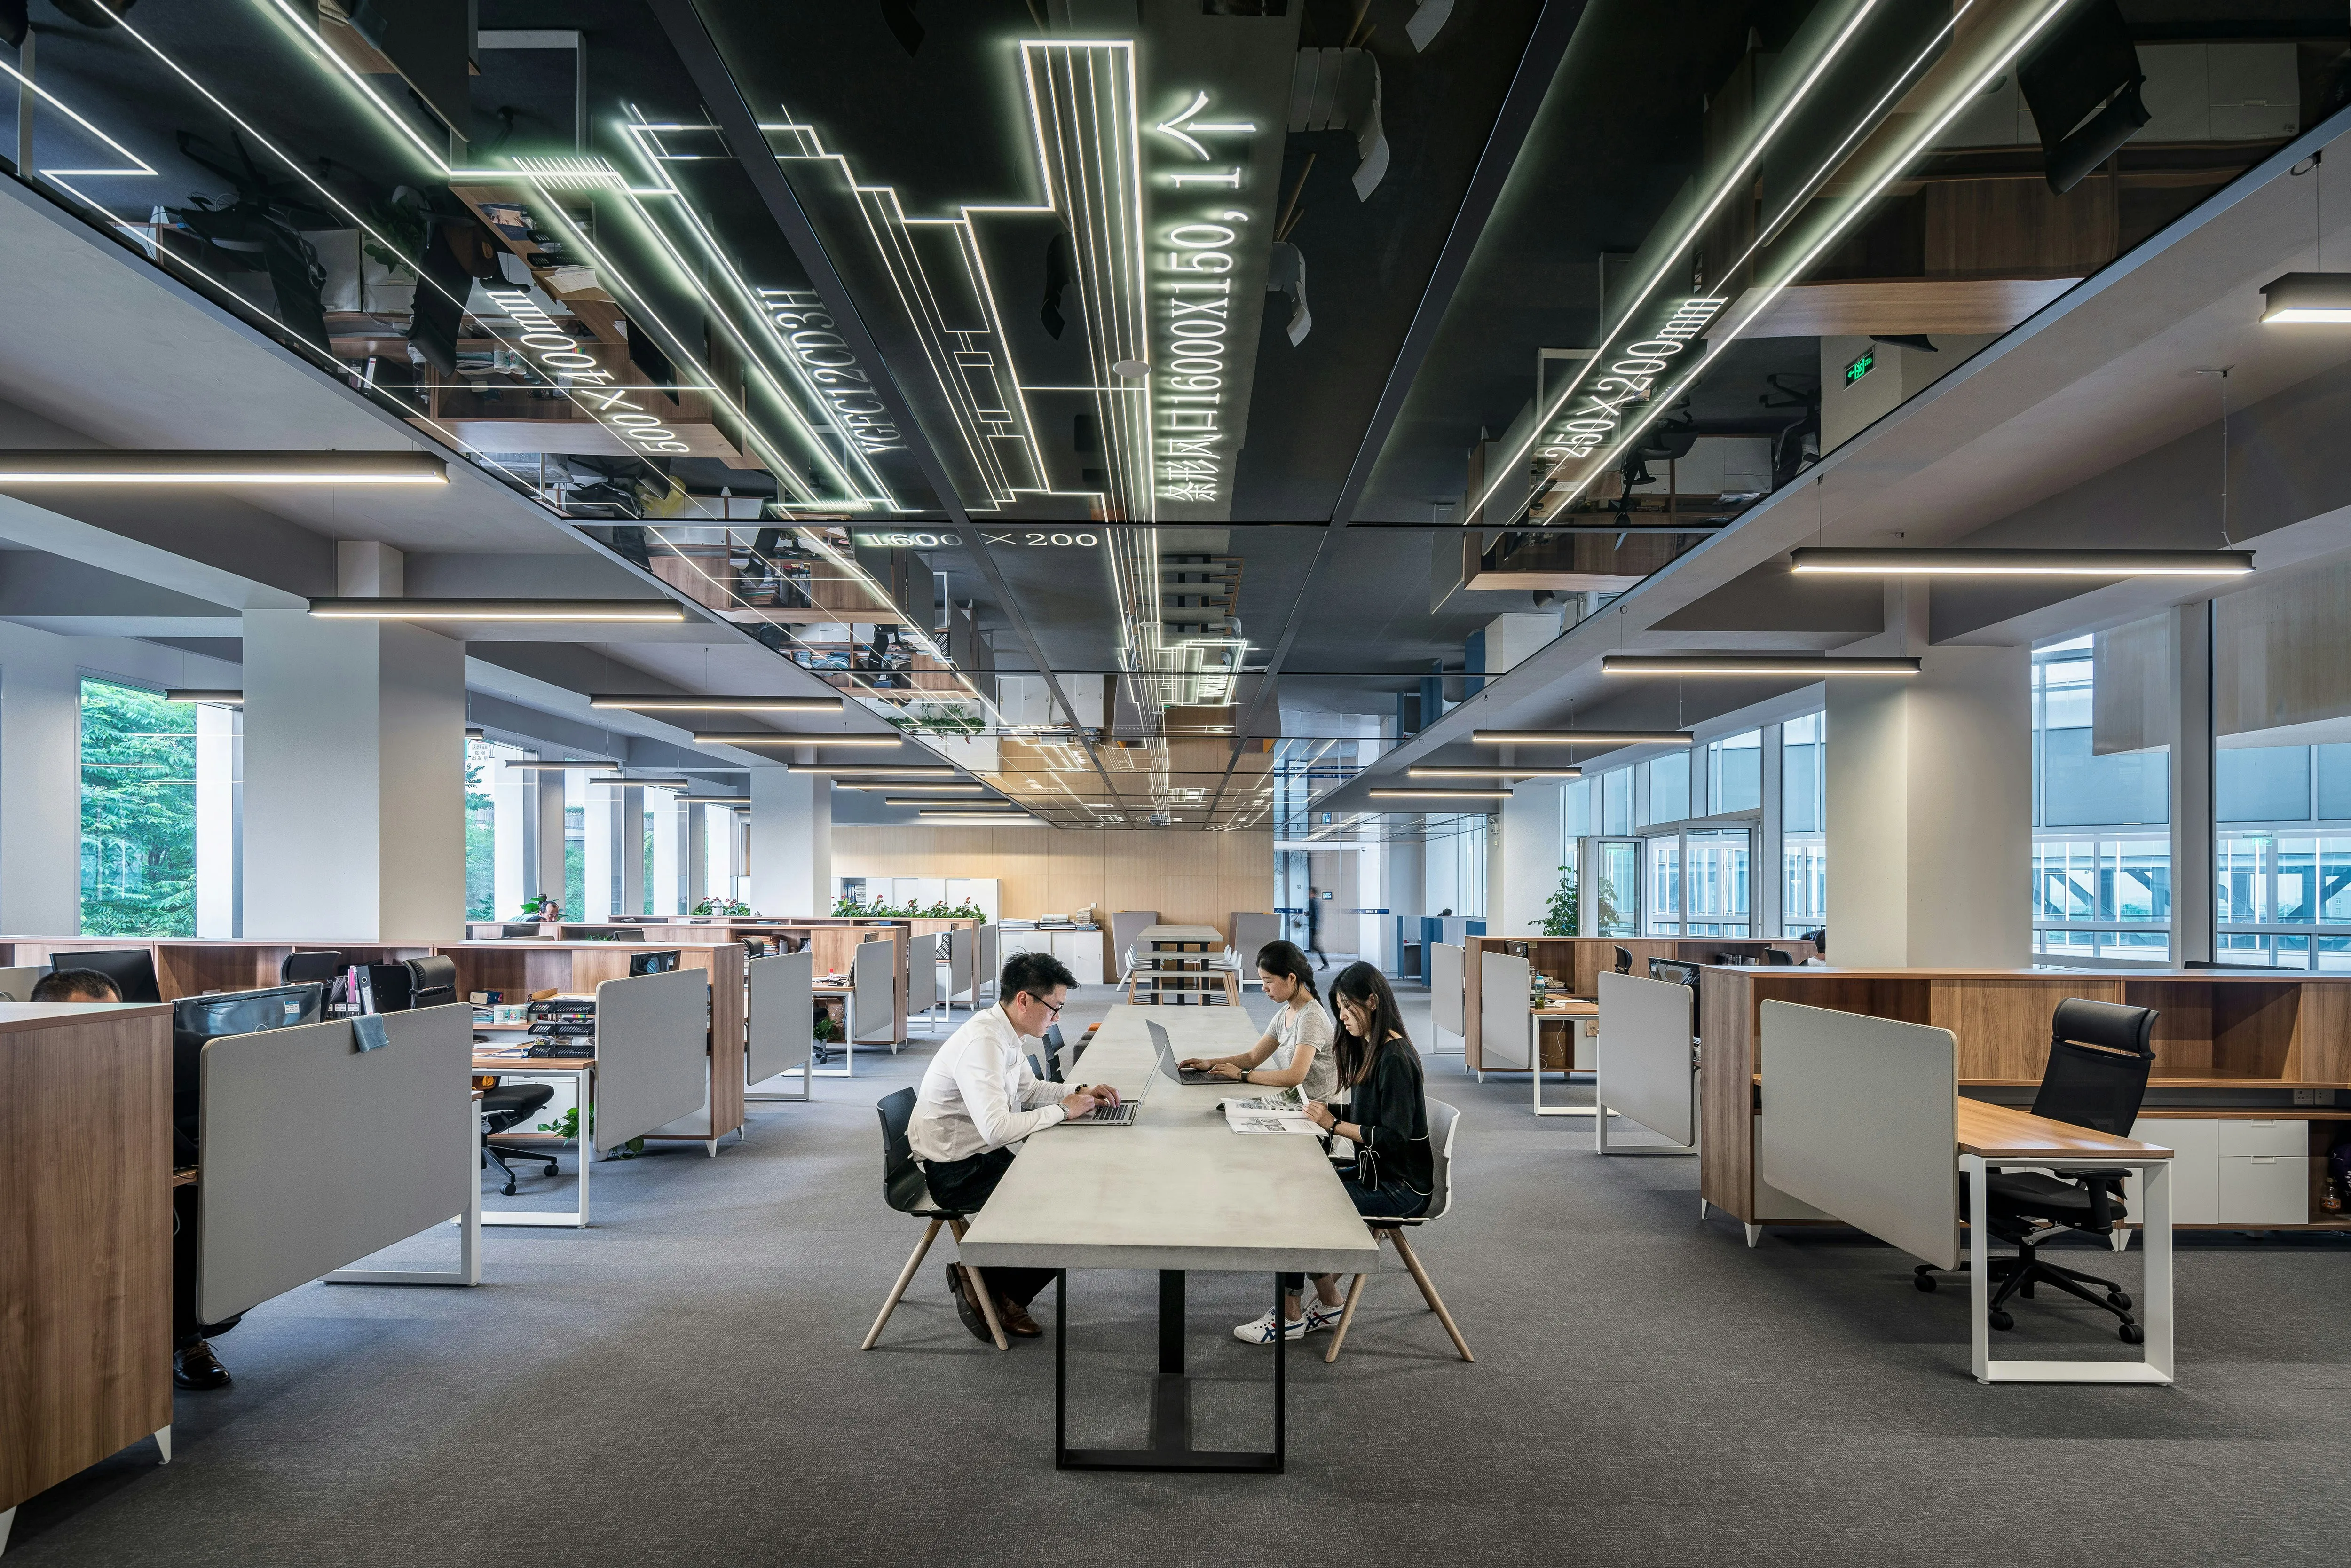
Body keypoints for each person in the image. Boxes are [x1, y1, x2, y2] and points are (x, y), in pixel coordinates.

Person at [33, 969, 243, 1389]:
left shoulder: (143, 1053)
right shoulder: (25, 1067)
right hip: (49, 1198)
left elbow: (219, 1061)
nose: (104, 1034)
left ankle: (184, 1337)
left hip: (130, 1183)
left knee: (194, 1210)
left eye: (114, 1020)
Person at [907, 950, 1116, 1343]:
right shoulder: (983, 1043)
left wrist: (1080, 1091)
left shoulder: (1006, 1032)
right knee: (1069, 1213)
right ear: (1024, 1000)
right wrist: (1062, 1111)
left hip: (979, 1156)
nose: (1057, 1018)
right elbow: (997, 1129)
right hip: (956, 1170)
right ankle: (996, 1289)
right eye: (1054, 1008)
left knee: (1077, 1192)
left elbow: (1029, 1089)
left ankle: (989, 1281)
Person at [1234, 961, 1433, 1345]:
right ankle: (1328, 1301)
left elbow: (1394, 1138)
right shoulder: (1374, 1050)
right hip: (1376, 1172)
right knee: (1296, 1185)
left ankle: (1291, 1315)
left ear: (1372, 1002)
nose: (1340, 1017)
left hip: (1401, 1188)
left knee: (1295, 1204)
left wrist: (1333, 1124)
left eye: (1346, 1006)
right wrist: (1317, 1113)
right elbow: (1368, 1117)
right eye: (1338, 1006)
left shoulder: (1395, 1059)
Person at [1304, 890, 1327, 970]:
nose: (1309, 894)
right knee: (1313, 946)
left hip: (1313, 927)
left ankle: (1325, 963)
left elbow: (1313, 914)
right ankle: (1325, 963)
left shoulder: (1312, 902)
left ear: (1313, 894)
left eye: (1310, 893)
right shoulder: (1317, 902)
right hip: (1315, 927)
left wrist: (1307, 914)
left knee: (1314, 946)